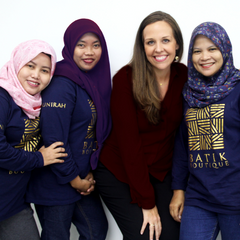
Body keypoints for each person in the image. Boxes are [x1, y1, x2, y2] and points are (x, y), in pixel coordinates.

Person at [94, 11, 187, 240]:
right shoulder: (125, 79)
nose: (158, 49)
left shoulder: (185, 76)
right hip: (119, 170)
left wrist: (178, 188)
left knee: (174, 234)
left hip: (160, 170)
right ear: (142, 47)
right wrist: (147, 203)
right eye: (150, 42)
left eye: (165, 40)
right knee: (145, 236)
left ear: (177, 43)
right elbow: (129, 146)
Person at [26, 19, 112, 240]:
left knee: (96, 231)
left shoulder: (88, 82)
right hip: (55, 181)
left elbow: (90, 135)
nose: (89, 52)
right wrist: (74, 178)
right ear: (70, 45)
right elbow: (54, 138)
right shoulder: (62, 83)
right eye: (81, 44)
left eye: (96, 45)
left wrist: (87, 171)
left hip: (81, 178)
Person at [170, 22, 240, 240]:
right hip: (198, 198)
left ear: (225, 50)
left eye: (212, 49)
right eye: (197, 51)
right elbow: (183, 145)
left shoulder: (238, 88)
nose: (204, 57)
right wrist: (178, 190)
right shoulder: (189, 93)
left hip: (236, 198)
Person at [0, 39, 67, 240]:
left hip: (13, 204)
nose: (36, 75)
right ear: (17, 63)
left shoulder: (35, 104)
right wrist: (40, 159)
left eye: (45, 70)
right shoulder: (3, 97)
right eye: (30, 65)